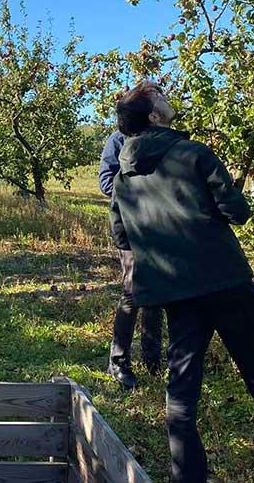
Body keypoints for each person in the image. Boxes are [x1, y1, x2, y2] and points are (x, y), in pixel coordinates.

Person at [110, 82, 254, 483]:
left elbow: (123, 239)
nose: (169, 100)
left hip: (176, 293)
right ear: (153, 115)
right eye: (161, 98)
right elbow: (237, 212)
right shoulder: (193, 153)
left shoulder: (122, 180)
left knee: (181, 391)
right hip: (225, 282)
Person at [99, 127, 164, 390]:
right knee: (133, 291)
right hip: (132, 226)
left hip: (162, 226)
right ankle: (118, 361)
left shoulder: (161, 140)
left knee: (157, 295)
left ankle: (152, 361)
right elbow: (106, 182)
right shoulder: (118, 139)